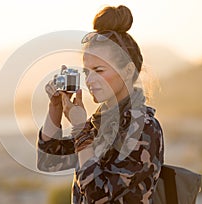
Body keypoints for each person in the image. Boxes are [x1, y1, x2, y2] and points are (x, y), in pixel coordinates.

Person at [37, 5, 164, 204]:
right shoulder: (100, 122)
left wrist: (80, 129)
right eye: (87, 72)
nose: (89, 81)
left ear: (128, 71)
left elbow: (98, 196)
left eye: (99, 70)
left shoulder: (144, 127)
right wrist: (55, 108)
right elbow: (49, 161)